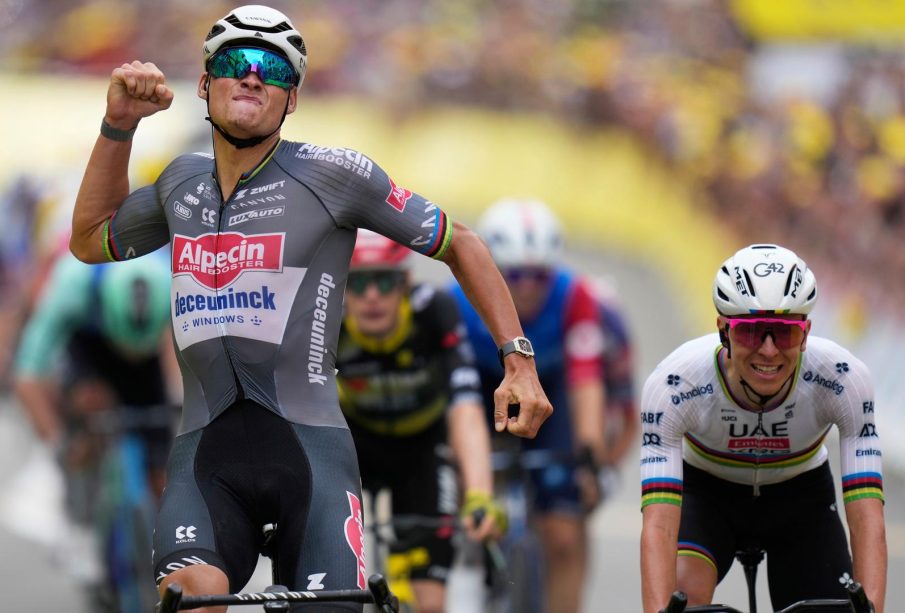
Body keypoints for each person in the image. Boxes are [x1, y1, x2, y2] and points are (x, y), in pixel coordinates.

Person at [67, 5, 552, 611]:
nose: (252, 75)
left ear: (291, 98)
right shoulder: (178, 183)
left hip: (311, 459)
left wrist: (518, 361)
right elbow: (90, 239)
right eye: (235, 61)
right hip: (204, 462)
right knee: (190, 601)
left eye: (273, 68)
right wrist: (118, 126)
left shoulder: (333, 175)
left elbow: (463, 244)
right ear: (204, 83)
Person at [639, 244, 887, 612]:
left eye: (785, 334)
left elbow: (867, 516)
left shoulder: (842, 379)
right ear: (723, 331)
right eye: (751, 333)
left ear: (806, 333)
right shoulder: (675, 385)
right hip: (707, 497)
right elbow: (658, 526)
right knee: (683, 599)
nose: (769, 351)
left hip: (801, 501)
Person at [451, 198, 609, 613]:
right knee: (466, 503)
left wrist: (590, 454)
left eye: (539, 276)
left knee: (563, 535)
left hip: (549, 395)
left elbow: (586, 379)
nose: (526, 287)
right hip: (481, 392)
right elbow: (454, 394)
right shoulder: (457, 300)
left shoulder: (575, 295)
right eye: (515, 275)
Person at [336, 229, 504, 613]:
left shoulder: (434, 312)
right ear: (342, 289)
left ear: (406, 284)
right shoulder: (327, 321)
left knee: (429, 603)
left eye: (385, 281)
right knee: (335, 588)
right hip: (355, 445)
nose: (372, 296)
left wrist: (479, 494)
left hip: (423, 447)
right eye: (359, 283)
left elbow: (465, 408)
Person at [12, 251, 175, 589]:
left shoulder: (175, 281)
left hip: (149, 362)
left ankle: (165, 536)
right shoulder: (74, 284)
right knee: (87, 411)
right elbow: (28, 373)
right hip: (88, 350)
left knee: (161, 463)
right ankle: (82, 523)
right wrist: (59, 444)